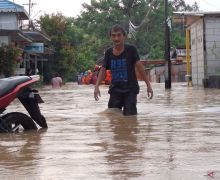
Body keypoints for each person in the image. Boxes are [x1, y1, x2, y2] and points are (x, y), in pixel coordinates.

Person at [94, 24, 153, 116]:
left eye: (119, 35)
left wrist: (148, 86)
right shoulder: (109, 52)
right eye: (113, 35)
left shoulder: (131, 50)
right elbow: (103, 70)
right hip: (115, 90)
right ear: (111, 37)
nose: (116, 38)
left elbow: (140, 67)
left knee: (130, 118)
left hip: (130, 90)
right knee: (113, 117)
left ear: (124, 36)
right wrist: (96, 86)